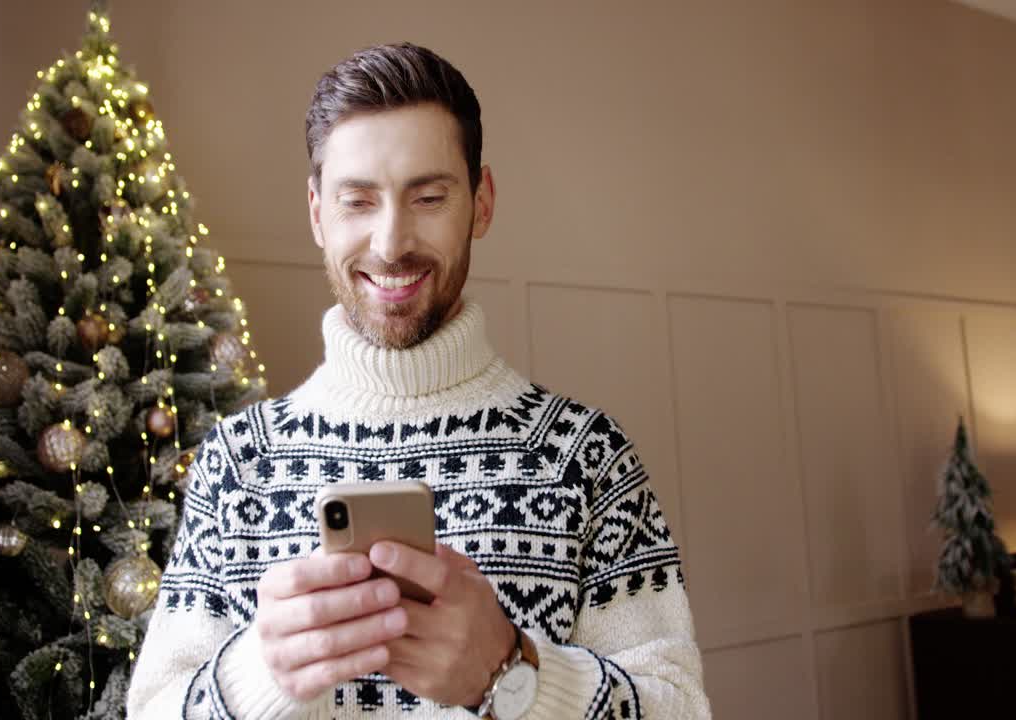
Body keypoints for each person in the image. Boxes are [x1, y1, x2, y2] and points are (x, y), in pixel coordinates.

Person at [127, 42, 712, 719]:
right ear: (317, 213)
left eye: (428, 197)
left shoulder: (587, 457)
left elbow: (680, 709)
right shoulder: (237, 462)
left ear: (481, 203)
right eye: (357, 201)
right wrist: (259, 678)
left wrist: (509, 675)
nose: (390, 243)